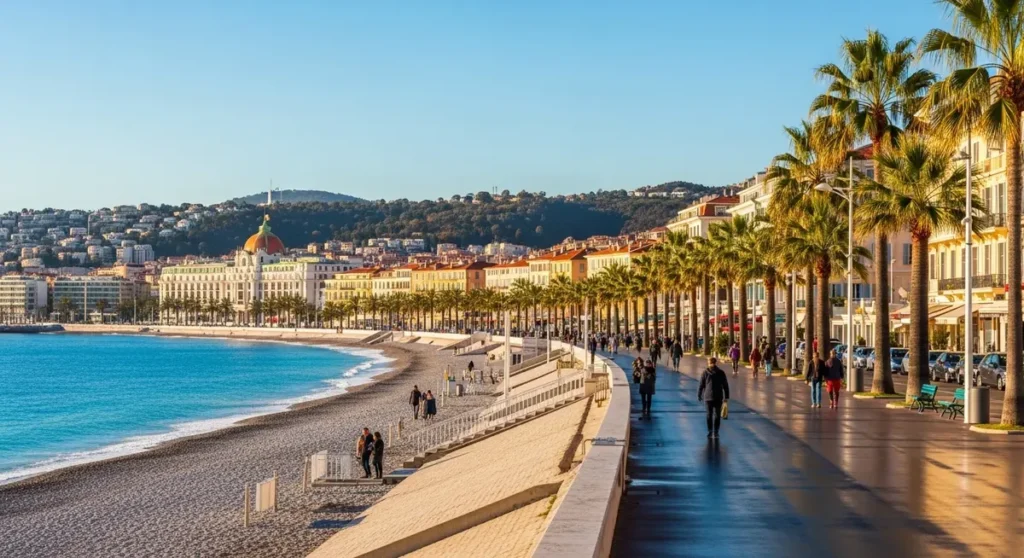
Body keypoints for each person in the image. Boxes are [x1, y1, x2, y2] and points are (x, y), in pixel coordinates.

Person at [698, 357, 730, 439]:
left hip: (708, 397)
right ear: (716, 363)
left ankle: (710, 431)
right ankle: (716, 432)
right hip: (718, 396)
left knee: (709, 415)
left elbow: (701, 385)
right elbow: (725, 385)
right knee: (717, 415)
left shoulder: (705, 372)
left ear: (708, 363)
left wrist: (699, 395)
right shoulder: (721, 372)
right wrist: (726, 396)